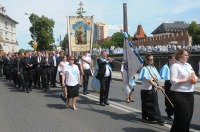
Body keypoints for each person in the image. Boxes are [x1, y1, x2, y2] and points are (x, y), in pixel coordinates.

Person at [170, 49, 197, 132]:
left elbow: (194, 75)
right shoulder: (175, 66)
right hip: (179, 93)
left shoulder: (188, 65)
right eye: (185, 55)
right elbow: (173, 80)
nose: (187, 57)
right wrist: (186, 80)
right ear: (179, 55)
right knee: (183, 116)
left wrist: (194, 79)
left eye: (187, 55)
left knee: (188, 116)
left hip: (189, 93)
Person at [138, 54, 167, 124]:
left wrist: (158, 84)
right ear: (147, 60)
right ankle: (158, 118)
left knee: (150, 103)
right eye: (150, 59)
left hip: (152, 88)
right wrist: (156, 86)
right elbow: (149, 80)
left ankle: (148, 117)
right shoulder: (145, 68)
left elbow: (156, 77)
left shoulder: (153, 68)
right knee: (151, 104)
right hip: (147, 89)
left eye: (152, 59)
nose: (151, 61)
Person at [160, 55, 176, 119]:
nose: (174, 61)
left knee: (174, 98)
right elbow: (163, 76)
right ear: (169, 59)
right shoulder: (166, 66)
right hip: (168, 83)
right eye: (173, 60)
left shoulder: (175, 66)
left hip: (174, 83)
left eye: (175, 60)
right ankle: (169, 112)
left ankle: (174, 111)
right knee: (168, 98)